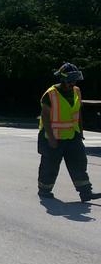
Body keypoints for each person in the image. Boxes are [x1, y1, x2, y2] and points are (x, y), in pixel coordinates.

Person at [37, 62, 100, 201]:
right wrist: (52, 139)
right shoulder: (50, 94)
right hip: (52, 137)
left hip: (73, 135)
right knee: (50, 165)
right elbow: (45, 117)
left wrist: (81, 132)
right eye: (70, 80)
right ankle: (44, 190)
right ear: (63, 79)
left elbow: (77, 113)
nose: (73, 83)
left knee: (79, 163)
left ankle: (85, 192)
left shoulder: (76, 91)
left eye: (75, 80)